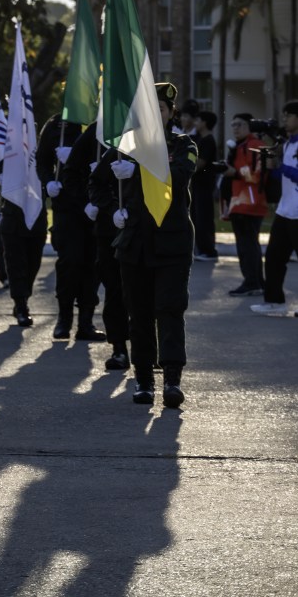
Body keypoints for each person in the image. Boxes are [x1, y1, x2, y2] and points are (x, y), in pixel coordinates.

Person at [110, 82, 197, 406]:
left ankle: (172, 381)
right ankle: (144, 380)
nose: (154, 114)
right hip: (135, 243)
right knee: (140, 315)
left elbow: (178, 174)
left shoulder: (184, 144)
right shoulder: (125, 146)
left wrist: (135, 170)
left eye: (160, 109)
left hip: (171, 243)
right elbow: (95, 180)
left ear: (170, 112)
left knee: (169, 311)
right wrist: (110, 210)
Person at [36, 116, 103, 339]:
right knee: (70, 262)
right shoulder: (57, 125)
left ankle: (86, 322)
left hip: (94, 204)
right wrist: (48, 182)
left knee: (92, 264)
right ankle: (64, 319)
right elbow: (42, 160)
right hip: (66, 205)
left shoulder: (102, 123)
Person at [83, 126, 130, 370]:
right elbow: (96, 183)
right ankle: (119, 347)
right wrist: (111, 210)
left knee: (147, 294)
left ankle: (150, 350)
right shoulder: (118, 150)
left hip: (148, 232)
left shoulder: (165, 147)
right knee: (114, 290)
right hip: (112, 231)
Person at [0, 162, 47, 329]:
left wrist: (49, 186)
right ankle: (21, 306)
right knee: (15, 265)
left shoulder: (42, 161)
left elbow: (53, 188)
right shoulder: (8, 162)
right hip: (12, 224)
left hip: (36, 224)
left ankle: (23, 298)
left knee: (32, 266)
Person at [255, 101, 298, 317]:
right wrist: (270, 164)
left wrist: (281, 165)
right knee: (273, 258)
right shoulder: (288, 144)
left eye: (288, 116)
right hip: (284, 210)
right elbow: (279, 175)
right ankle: (274, 301)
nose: (284, 120)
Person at [221, 113, 267, 298]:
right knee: (248, 245)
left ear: (250, 126)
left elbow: (258, 174)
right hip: (242, 203)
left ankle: (252, 282)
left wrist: (234, 172)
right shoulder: (241, 146)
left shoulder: (255, 145)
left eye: (239, 124)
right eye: (233, 125)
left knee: (247, 245)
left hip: (249, 203)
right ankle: (256, 282)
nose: (235, 128)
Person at [189, 110, 220, 261]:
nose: (196, 123)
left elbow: (200, 163)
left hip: (205, 185)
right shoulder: (199, 139)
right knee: (196, 216)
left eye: (198, 120)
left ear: (205, 123)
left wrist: (185, 170)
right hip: (197, 184)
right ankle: (201, 249)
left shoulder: (208, 140)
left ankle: (209, 250)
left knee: (204, 218)